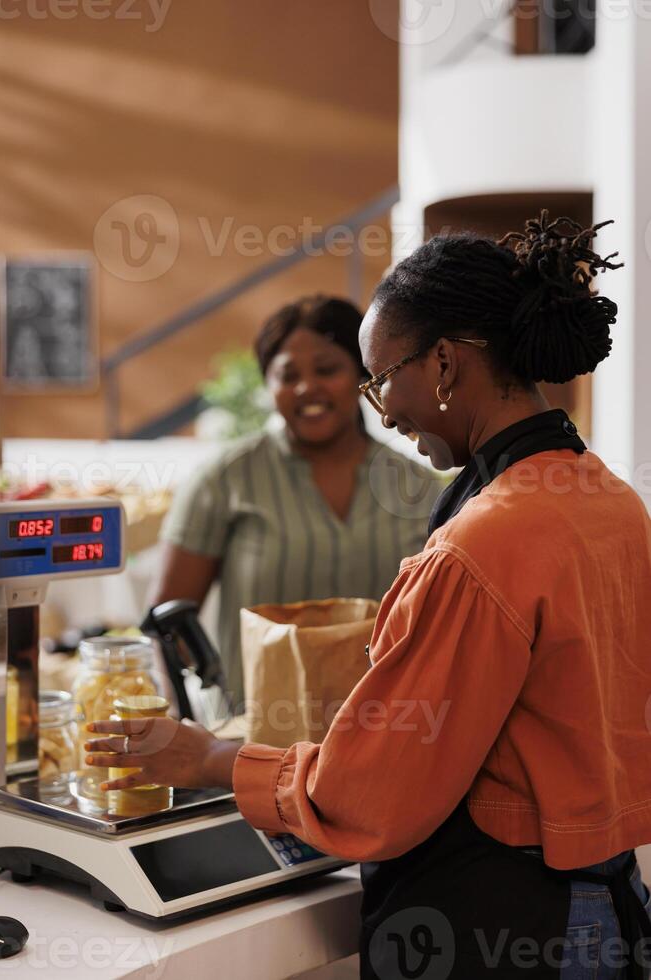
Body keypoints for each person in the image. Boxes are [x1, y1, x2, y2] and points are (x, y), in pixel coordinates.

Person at [87, 212, 651, 979]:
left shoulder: (481, 544)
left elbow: (372, 797)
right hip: (608, 907)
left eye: (382, 379)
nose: (384, 411)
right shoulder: (611, 499)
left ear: (446, 364)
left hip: (515, 921)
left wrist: (213, 758)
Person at [150, 294, 439, 709]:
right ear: (268, 386)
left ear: (361, 375)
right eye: (287, 376)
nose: (307, 388)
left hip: (386, 734)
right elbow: (166, 623)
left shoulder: (419, 486)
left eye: (327, 369)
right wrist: (191, 722)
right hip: (248, 742)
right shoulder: (223, 481)